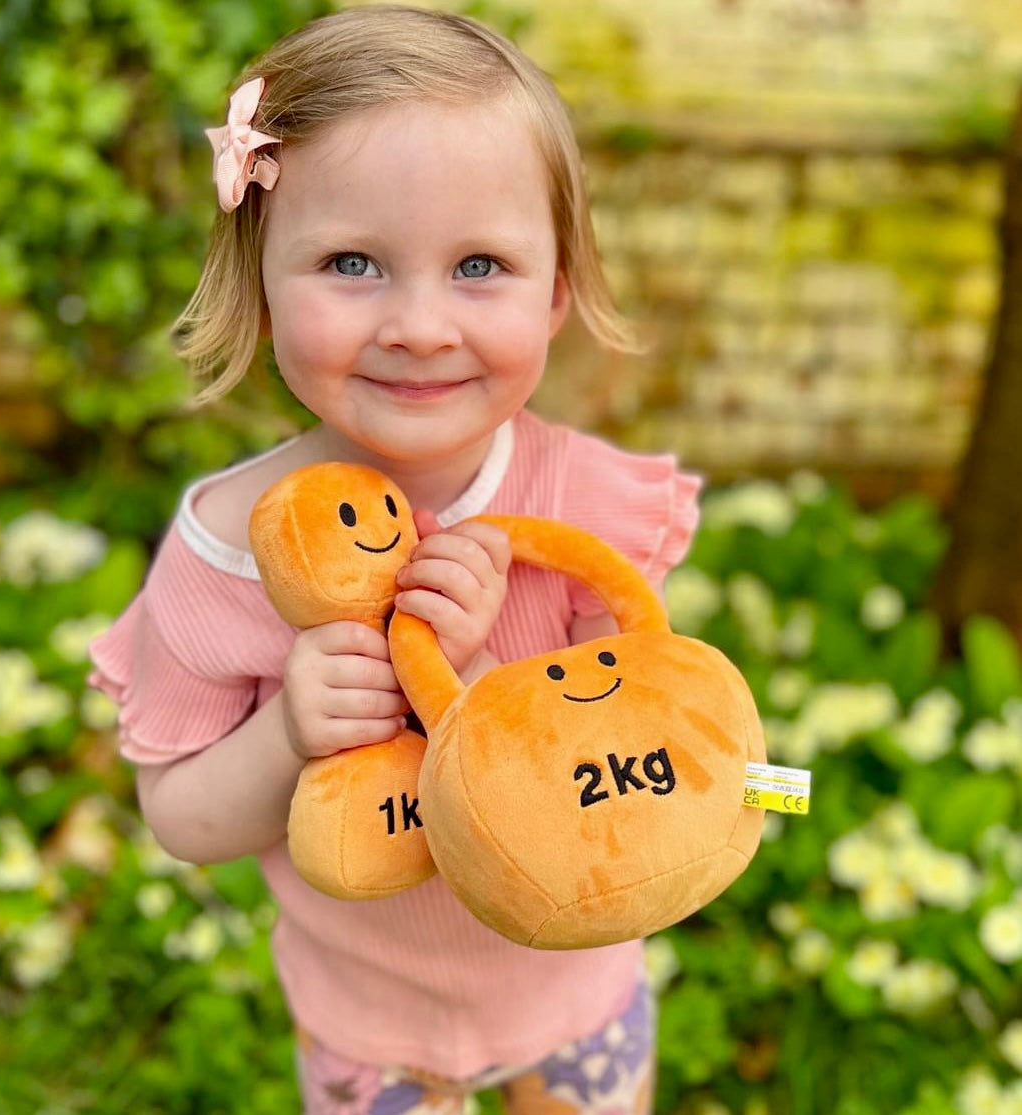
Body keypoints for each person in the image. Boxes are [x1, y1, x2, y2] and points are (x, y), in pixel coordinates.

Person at [89, 6, 701, 1112]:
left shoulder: (578, 511)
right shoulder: (224, 554)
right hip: (368, 1024)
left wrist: (480, 685)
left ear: (554, 289)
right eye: (352, 262)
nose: (420, 324)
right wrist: (287, 734)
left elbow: (636, 741)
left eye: (479, 264)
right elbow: (181, 819)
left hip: (576, 983)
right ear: (260, 288)